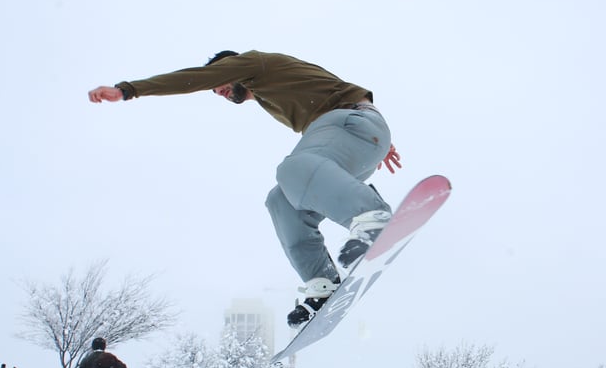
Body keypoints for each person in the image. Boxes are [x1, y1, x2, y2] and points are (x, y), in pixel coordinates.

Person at [88, 50, 402, 328]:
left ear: (234, 67)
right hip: (354, 137)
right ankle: (322, 284)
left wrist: (128, 90)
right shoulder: (270, 92)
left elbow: (194, 78)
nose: (219, 90)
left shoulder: (256, 64)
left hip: (351, 125)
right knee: (280, 200)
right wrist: (375, 139)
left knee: (292, 169)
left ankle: (371, 217)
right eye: (216, 91)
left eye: (221, 81)